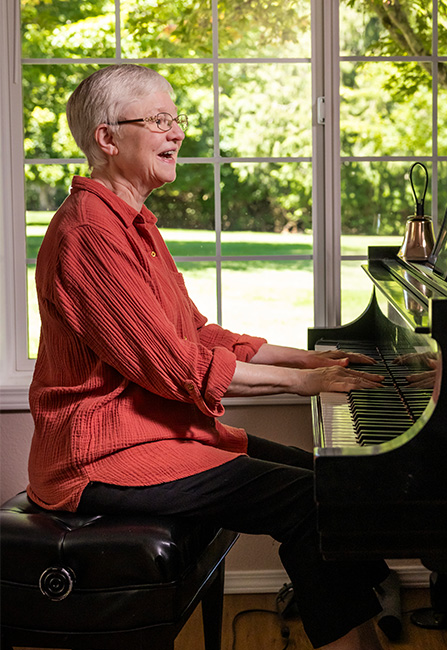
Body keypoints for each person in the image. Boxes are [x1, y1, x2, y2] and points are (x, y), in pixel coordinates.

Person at [27, 64, 392, 650]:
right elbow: (178, 368)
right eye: (159, 121)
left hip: (153, 437)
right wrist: (305, 385)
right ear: (107, 137)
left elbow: (199, 334)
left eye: (177, 120)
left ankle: (362, 628)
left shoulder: (134, 224)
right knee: (311, 500)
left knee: (327, 480)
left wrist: (314, 360)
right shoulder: (88, 233)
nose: (177, 134)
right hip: (100, 459)